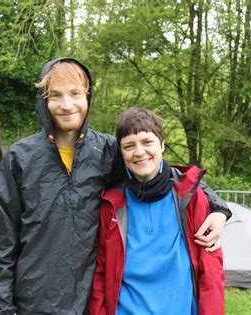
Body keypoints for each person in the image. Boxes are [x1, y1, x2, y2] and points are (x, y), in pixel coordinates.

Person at [0, 58, 230, 314]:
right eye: (55, 95)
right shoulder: (20, 158)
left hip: (89, 300)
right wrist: (1, 308)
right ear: (44, 101)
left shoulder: (107, 151)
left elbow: (168, 173)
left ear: (88, 97)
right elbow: (3, 244)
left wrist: (217, 208)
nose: (67, 104)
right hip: (34, 300)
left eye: (75, 94)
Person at [89, 108, 225, 315]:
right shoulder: (112, 204)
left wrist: (221, 211)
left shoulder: (191, 197)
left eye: (147, 142)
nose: (139, 152)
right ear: (121, 152)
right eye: (129, 146)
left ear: (162, 144)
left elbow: (211, 272)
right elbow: (102, 272)